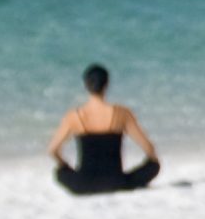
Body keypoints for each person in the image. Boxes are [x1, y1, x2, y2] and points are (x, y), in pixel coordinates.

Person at [49, 64, 161, 194]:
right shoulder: (121, 113)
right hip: (117, 182)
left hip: (84, 185)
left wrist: (65, 165)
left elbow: (52, 150)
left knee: (59, 172)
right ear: (107, 85)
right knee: (154, 166)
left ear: (86, 85)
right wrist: (152, 160)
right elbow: (149, 148)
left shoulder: (74, 116)